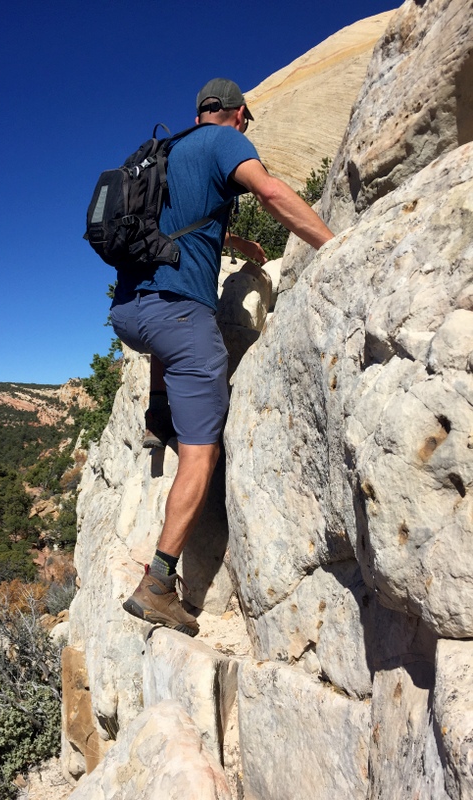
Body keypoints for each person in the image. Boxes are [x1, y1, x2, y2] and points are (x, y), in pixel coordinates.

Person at [110, 78, 334, 636]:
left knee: (171, 339)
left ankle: (158, 415)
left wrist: (237, 246)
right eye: (247, 122)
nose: (247, 129)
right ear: (236, 115)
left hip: (130, 314)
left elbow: (183, 223)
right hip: (179, 319)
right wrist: (335, 246)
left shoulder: (169, 150)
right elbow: (272, 192)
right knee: (202, 455)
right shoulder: (226, 141)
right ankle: (159, 582)